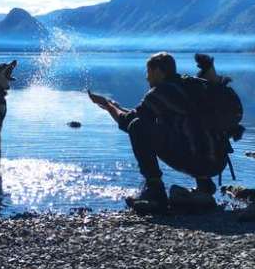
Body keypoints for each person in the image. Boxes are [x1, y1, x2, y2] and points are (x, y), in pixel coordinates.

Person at [88, 52, 225, 210]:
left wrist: (107, 105)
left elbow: (128, 121)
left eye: (148, 72)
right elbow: (139, 113)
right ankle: (204, 186)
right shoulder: (189, 86)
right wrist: (114, 105)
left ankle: (155, 191)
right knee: (188, 131)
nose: (147, 78)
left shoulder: (161, 92)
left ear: (158, 71)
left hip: (198, 162)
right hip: (217, 161)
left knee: (137, 127)